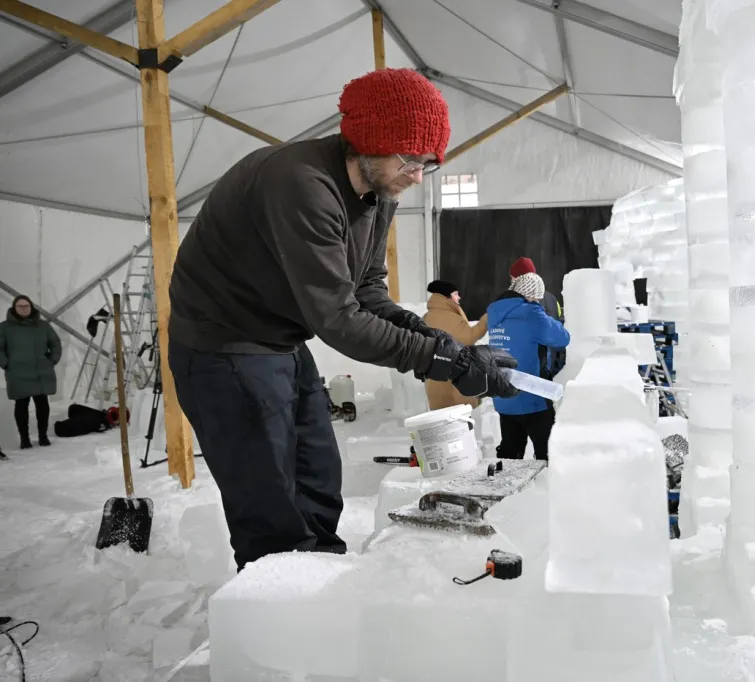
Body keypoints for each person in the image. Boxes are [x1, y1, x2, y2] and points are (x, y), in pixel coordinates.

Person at [167, 68, 518, 571]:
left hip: (281, 340)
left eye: (429, 163)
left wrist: (449, 347)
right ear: (371, 141)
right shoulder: (301, 184)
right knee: (269, 500)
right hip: (224, 346)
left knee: (317, 475)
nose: (418, 175)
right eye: (411, 159)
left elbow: (368, 292)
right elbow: (338, 318)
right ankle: (282, 609)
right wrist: (443, 361)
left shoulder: (380, 192)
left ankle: (322, 579)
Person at [486, 272, 570, 461]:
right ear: (531, 295)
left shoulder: (494, 311)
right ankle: (545, 488)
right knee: (549, 455)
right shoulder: (531, 313)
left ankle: (506, 488)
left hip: (504, 393)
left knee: (510, 456)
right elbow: (562, 338)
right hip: (532, 396)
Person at [0, 295, 61, 449]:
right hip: (18, 372)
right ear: (14, 308)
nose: (23, 308)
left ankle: (43, 436)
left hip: (41, 371)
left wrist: (52, 360)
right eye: (20, 306)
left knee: (42, 405)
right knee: (21, 405)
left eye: (26, 306)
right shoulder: (5, 327)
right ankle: (25, 439)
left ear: (31, 307)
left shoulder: (43, 326)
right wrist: (6, 364)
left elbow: (55, 343)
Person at [422, 280, 490, 410]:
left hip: (434, 380)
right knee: (459, 424)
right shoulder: (449, 317)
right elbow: (468, 337)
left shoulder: (427, 317)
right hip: (454, 381)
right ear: (446, 297)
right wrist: (486, 320)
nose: (459, 297)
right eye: (456, 294)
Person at [508, 257, 566, 377]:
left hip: (529, 371)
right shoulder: (553, 299)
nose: (511, 282)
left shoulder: (519, 301)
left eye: (512, 278)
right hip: (551, 368)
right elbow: (560, 327)